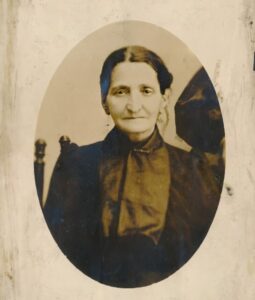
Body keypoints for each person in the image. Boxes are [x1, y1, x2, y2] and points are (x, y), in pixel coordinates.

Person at [43, 46, 224, 288]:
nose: (134, 105)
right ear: (104, 101)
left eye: (146, 91)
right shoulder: (75, 165)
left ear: (164, 98)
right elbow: (52, 259)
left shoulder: (196, 171)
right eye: (120, 92)